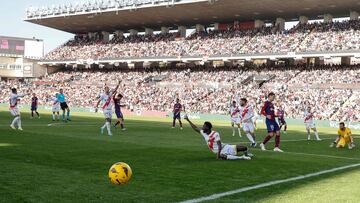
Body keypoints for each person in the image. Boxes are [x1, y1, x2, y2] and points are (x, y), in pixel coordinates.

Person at [183, 114, 252, 160]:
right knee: (223, 156)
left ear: (207, 127)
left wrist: (218, 154)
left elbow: (219, 145)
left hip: (224, 147)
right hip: (218, 151)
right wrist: (188, 120)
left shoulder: (215, 134)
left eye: (204, 126)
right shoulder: (203, 133)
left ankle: (246, 154)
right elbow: (195, 128)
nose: (202, 127)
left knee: (244, 148)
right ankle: (242, 157)